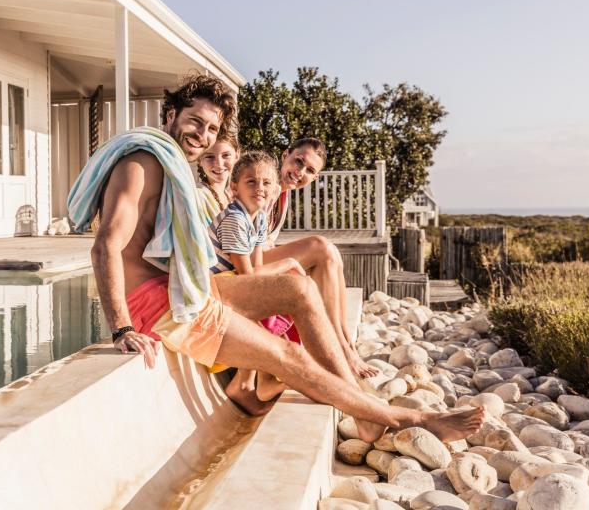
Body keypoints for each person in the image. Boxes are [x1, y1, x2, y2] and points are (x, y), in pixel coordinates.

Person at [69, 74, 482, 441]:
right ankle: (408, 420)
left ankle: (366, 413)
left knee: (297, 288)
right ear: (171, 114)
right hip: (156, 306)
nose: (203, 135)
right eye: (195, 121)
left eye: (212, 128)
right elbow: (106, 242)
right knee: (289, 355)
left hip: (176, 289)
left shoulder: (169, 163)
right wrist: (122, 328)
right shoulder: (143, 161)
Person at [262, 139, 380, 378]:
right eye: (298, 161)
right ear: (285, 155)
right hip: (245, 262)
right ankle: (340, 347)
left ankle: (345, 340)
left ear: (314, 179)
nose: (300, 172)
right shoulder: (268, 185)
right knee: (320, 247)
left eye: (309, 171)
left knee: (332, 253)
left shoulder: (282, 195)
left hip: (261, 257)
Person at [208, 150, 302, 402]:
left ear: (274, 190)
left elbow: (257, 270)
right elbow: (248, 278)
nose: (259, 188)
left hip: (234, 283)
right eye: (251, 181)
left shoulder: (259, 217)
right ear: (234, 188)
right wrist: (289, 262)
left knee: (278, 291)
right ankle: (252, 381)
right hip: (215, 290)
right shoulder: (234, 219)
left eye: (267, 182)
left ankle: (254, 380)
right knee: (267, 297)